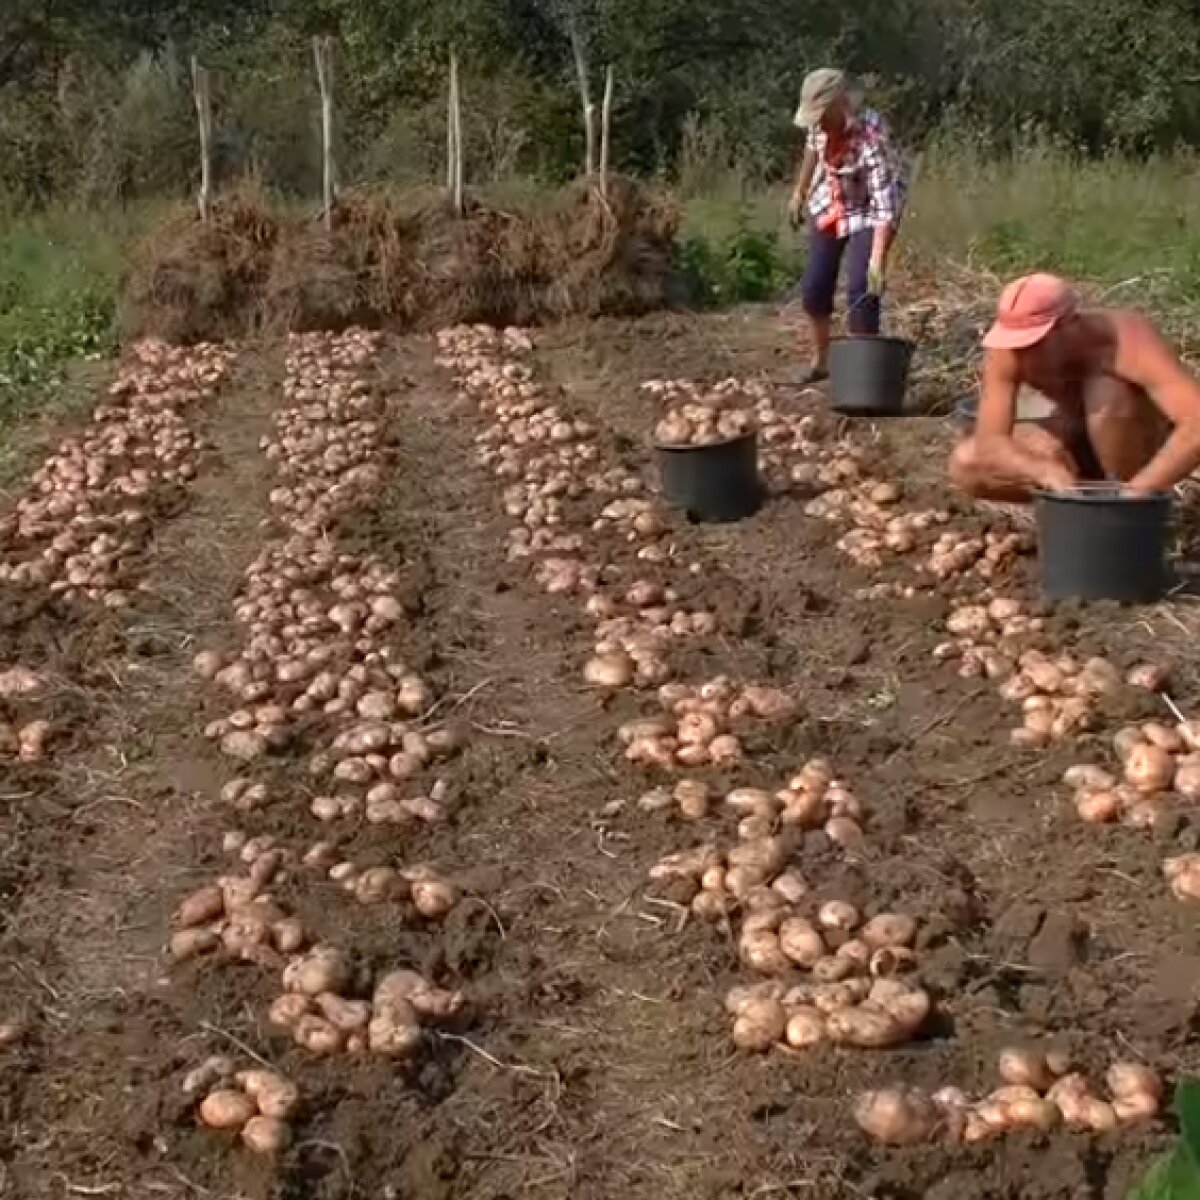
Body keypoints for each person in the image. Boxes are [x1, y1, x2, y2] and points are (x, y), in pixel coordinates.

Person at [950, 273, 1200, 500]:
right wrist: (1042, 469)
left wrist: (1141, 489)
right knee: (966, 462)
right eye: (1018, 344)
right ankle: (1078, 504)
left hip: (1136, 447)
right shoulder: (1007, 350)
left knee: (1106, 396)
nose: (1025, 353)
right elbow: (991, 442)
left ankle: (1122, 506)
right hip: (1072, 437)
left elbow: (1196, 423)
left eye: (1035, 343)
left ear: (1068, 324)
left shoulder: (1127, 338)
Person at [787, 68, 906, 384]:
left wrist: (877, 260)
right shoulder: (821, 125)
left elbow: (885, 205)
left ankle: (863, 376)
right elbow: (813, 149)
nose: (817, 122)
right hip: (832, 200)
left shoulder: (871, 137)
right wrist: (799, 192)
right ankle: (821, 361)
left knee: (862, 288)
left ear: (840, 105)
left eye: (822, 114)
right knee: (814, 287)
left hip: (869, 209)